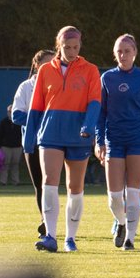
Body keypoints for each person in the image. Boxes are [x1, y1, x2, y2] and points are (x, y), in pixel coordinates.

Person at [26, 26, 101, 253]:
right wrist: (29, 136)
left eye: (76, 47)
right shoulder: (46, 70)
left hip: (78, 136)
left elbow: (95, 101)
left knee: (75, 186)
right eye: (67, 47)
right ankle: (50, 235)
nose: (71, 51)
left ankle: (70, 238)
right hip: (50, 135)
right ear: (59, 45)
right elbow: (36, 105)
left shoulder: (90, 70)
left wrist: (89, 125)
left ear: (81, 45)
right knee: (48, 181)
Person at [96, 33, 140, 250]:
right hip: (114, 141)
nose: (123, 55)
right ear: (115, 54)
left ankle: (130, 240)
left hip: (139, 140)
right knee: (115, 197)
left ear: (135, 53)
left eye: (127, 51)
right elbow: (100, 113)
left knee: (132, 193)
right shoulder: (106, 78)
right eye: (119, 51)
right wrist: (99, 141)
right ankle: (122, 223)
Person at [12, 48, 56, 239]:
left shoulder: (58, 85)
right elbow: (16, 114)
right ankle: (45, 222)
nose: (52, 66)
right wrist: (39, 117)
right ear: (37, 65)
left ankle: (57, 223)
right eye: (48, 62)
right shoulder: (26, 87)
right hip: (33, 143)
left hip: (56, 141)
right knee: (40, 184)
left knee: (56, 185)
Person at [0, 107, 23, 186]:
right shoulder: (3, 122)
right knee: (5, 165)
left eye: (12, 111)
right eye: (9, 111)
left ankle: (16, 181)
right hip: (6, 147)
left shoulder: (19, 122)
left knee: (15, 165)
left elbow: (22, 134)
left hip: (17, 147)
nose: (10, 113)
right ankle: (3, 182)